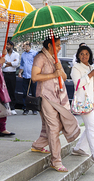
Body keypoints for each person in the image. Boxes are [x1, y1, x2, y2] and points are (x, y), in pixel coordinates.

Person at [31, 37, 80, 172]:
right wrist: (53, 74)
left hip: (57, 96)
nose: (59, 48)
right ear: (49, 45)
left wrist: (60, 70)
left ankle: (37, 145)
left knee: (53, 125)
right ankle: (56, 161)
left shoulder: (55, 58)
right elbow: (34, 77)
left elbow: (63, 78)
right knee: (53, 127)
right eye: (57, 45)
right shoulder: (40, 57)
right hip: (45, 96)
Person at [71, 45, 94, 165]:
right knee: (92, 128)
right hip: (84, 102)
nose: (84, 56)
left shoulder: (91, 66)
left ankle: (78, 148)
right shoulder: (76, 68)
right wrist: (89, 75)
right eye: (82, 54)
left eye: (87, 54)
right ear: (78, 55)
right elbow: (78, 83)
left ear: (89, 55)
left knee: (92, 126)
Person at [18, 41, 38, 115]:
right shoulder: (23, 54)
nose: (23, 47)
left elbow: (37, 63)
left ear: (28, 46)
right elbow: (22, 64)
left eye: (24, 46)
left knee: (33, 93)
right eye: (23, 46)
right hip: (25, 76)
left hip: (33, 76)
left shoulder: (34, 53)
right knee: (25, 93)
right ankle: (25, 108)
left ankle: (34, 109)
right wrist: (20, 72)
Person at [2, 40, 20, 115]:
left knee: (12, 91)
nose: (7, 46)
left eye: (8, 45)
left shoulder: (16, 54)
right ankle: (6, 107)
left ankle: (12, 108)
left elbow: (16, 64)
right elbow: (1, 65)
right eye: (6, 45)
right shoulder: (3, 54)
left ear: (12, 46)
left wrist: (6, 63)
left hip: (12, 74)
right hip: (5, 74)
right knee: (5, 91)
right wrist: (11, 63)